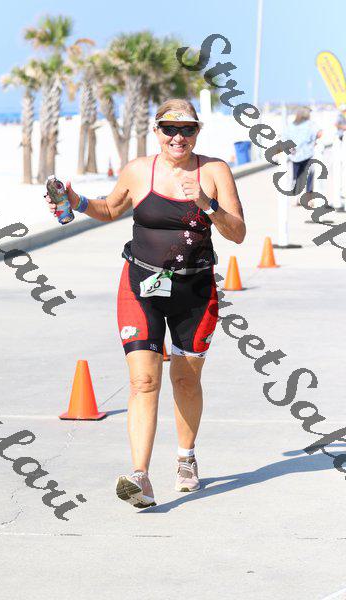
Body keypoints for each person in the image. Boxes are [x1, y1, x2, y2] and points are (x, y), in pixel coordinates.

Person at [45, 98, 246, 508]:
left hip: (195, 291)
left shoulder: (214, 171)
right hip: (140, 286)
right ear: (156, 131)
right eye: (169, 129)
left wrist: (208, 205)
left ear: (197, 132)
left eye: (187, 129)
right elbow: (110, 208)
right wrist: (75, 201)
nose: (178, 137)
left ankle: (186, 458)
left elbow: (238, 232)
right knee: (144, 381)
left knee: (185, 379)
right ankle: (140, 477)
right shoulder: (139, 170)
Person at [282, 106, 322, 198]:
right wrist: (314, 140)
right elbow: (320, 133)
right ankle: (308, 196)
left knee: (297, 176)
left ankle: (297, 196)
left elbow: (284, 138)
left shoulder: (291, 125)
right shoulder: (311, 124)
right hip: (307, 153)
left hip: (295, 154)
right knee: (309, 175)